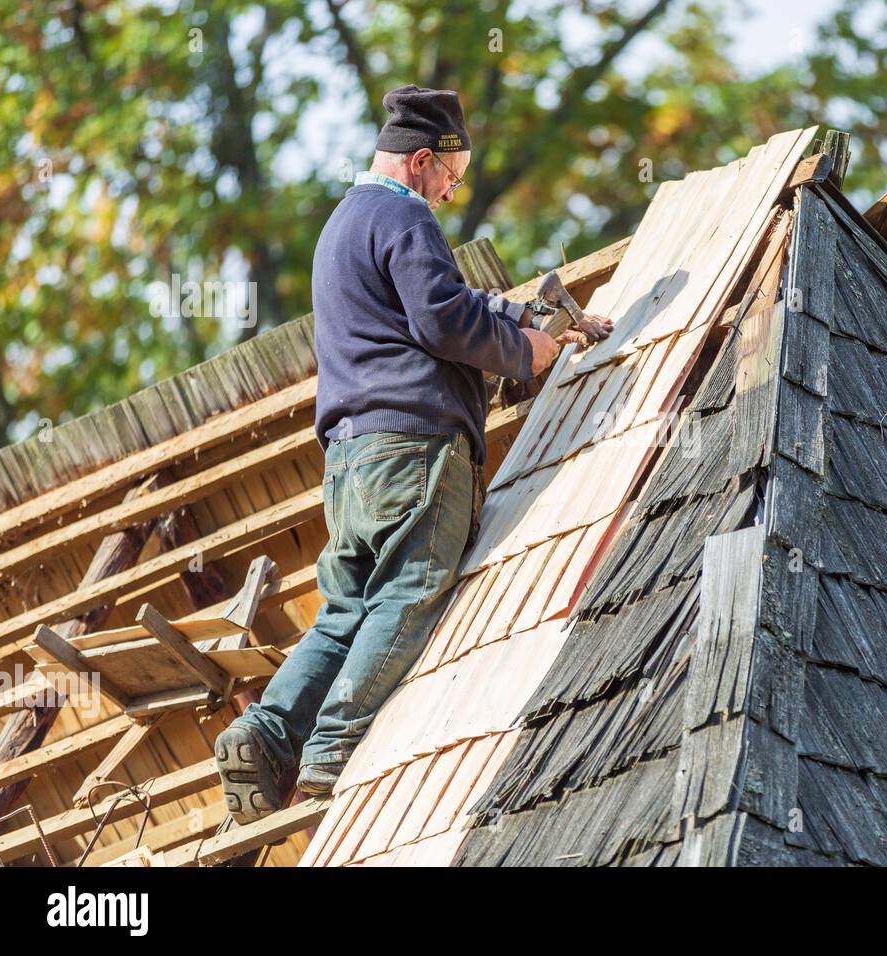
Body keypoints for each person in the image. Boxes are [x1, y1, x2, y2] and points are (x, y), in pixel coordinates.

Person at [214, 85, 611, 823]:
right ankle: (330, 756)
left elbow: (429, 303)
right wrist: (528, 350)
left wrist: (522, 309)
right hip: (415, 451)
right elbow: (440, 318)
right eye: (449, 180)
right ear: (421, 160)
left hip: (351, 463)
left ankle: (265, 734)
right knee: (409, 591)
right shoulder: (405, 213)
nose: (451, 195)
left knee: (344, 610)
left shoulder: (342, 227)